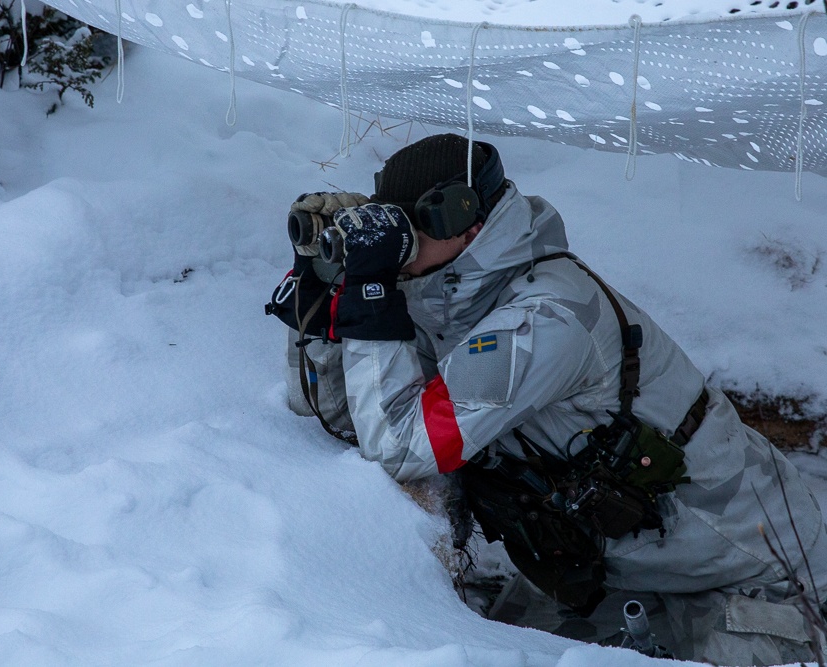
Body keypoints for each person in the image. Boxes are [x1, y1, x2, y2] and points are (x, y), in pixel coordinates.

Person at [266, 133, 827, 665]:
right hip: (611, 573)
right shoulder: (440, 296)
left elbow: (402, 447)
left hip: (756, 574)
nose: (392, 243)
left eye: (406, 226)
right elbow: (343, 421)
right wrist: (326, 286)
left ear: (460, 218)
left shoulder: (548, 318)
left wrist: (372, 296)